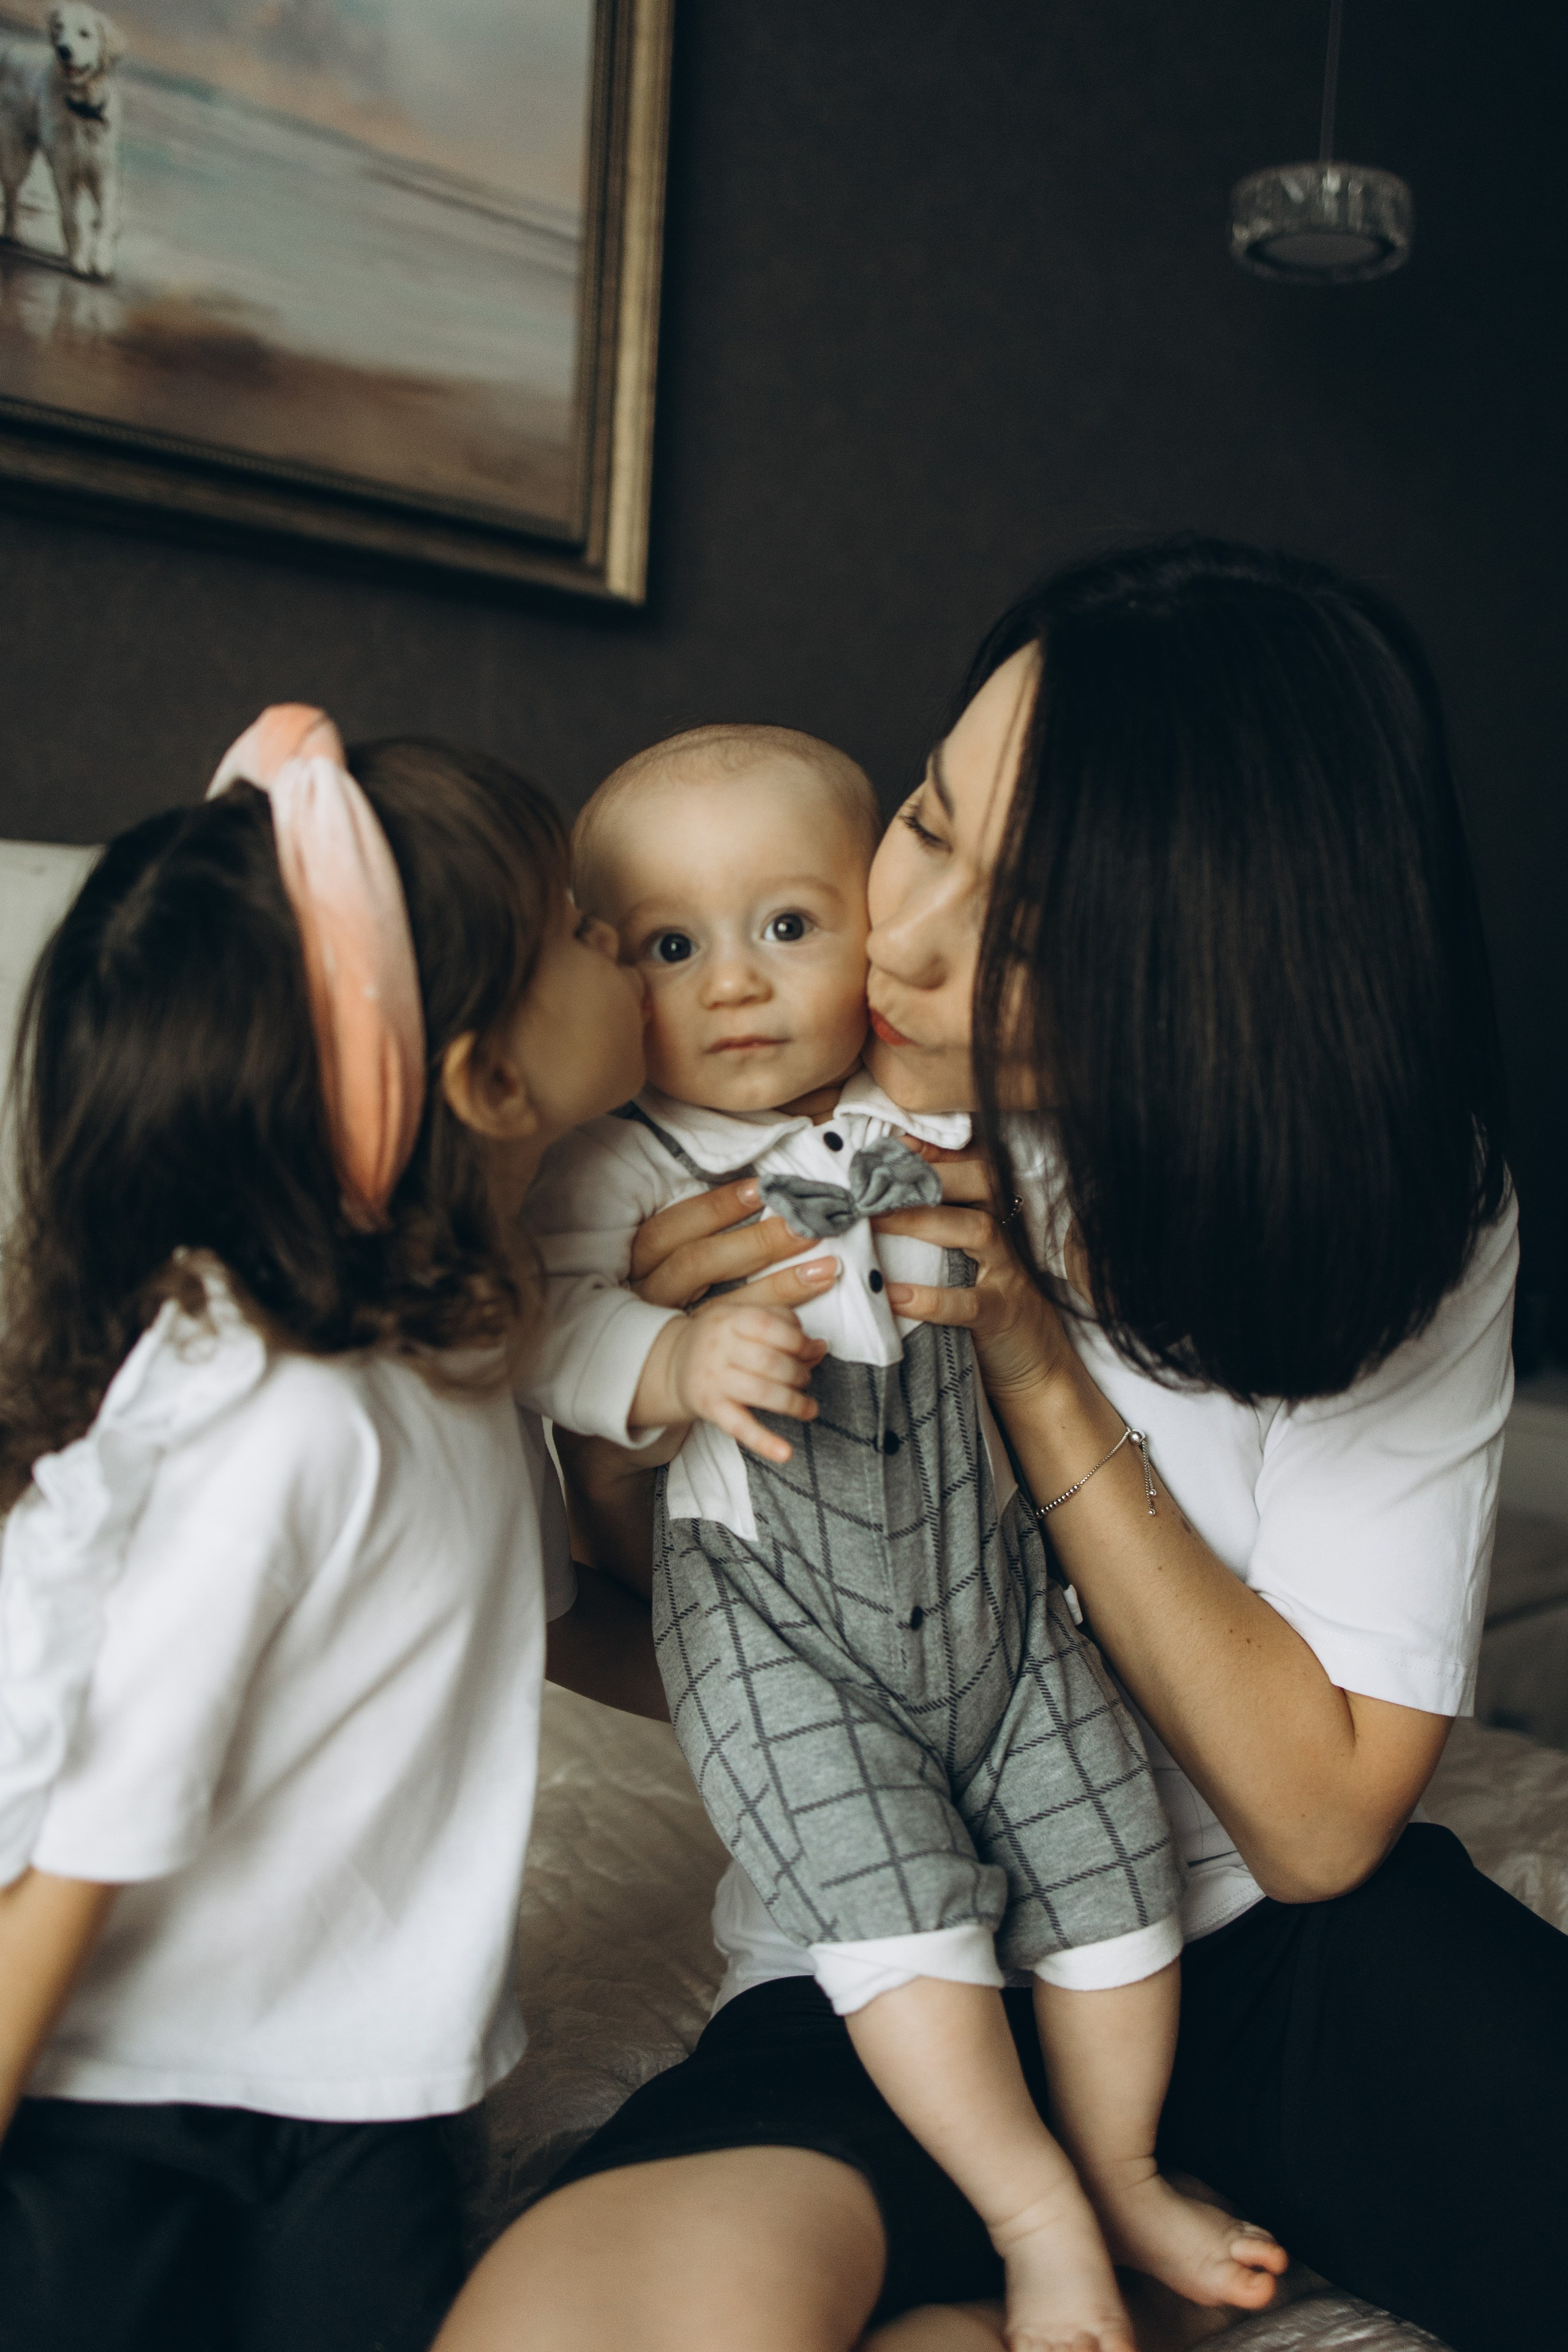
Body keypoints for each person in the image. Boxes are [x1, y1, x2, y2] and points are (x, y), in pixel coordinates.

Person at [437, 542, 1564, 2352]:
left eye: (1032, 919)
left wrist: (1035, 1364)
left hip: (1264, 1939)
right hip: (893, 1940)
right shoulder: (736, 1145)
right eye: (932, 826)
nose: (911, 938)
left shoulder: (1394, 1194)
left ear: (1215, 965)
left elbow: (1320, 1820)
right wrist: (635, 1413)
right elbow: (648, 1639)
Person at [519, 722, 1284, 2351]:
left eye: (785, 926)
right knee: (895, 1905)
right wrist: (666, 1358)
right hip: (781, 1639)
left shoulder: (935, 1117)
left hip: (993, 1607)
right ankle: (1031, 2210)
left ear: (874, 925)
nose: (732, 984)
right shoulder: (613, 1172)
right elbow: (542, 1334)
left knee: (1109, 1866)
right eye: (671, 946)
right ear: (597, 967)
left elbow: (1071, 1244)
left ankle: (1125, 2164)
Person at [0, 706, 658, 2352]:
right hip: (122, 2081)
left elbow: (525, 1634)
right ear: (490, 1078)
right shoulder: (289, 1412)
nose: (622, 940)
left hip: (375, 2083)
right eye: (583, 927)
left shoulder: (460, 1347)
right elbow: (94, 1825)